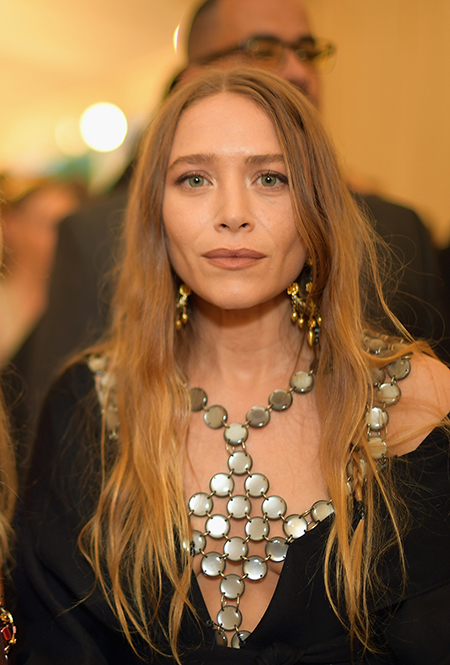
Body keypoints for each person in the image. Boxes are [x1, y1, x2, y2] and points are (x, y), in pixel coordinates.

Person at [14, 68, 450, 664]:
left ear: (318, 202)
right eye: (194, 179)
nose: (233, 213)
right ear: (155, 210)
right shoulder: (88, 407)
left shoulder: (420, 404)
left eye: (270, 178)